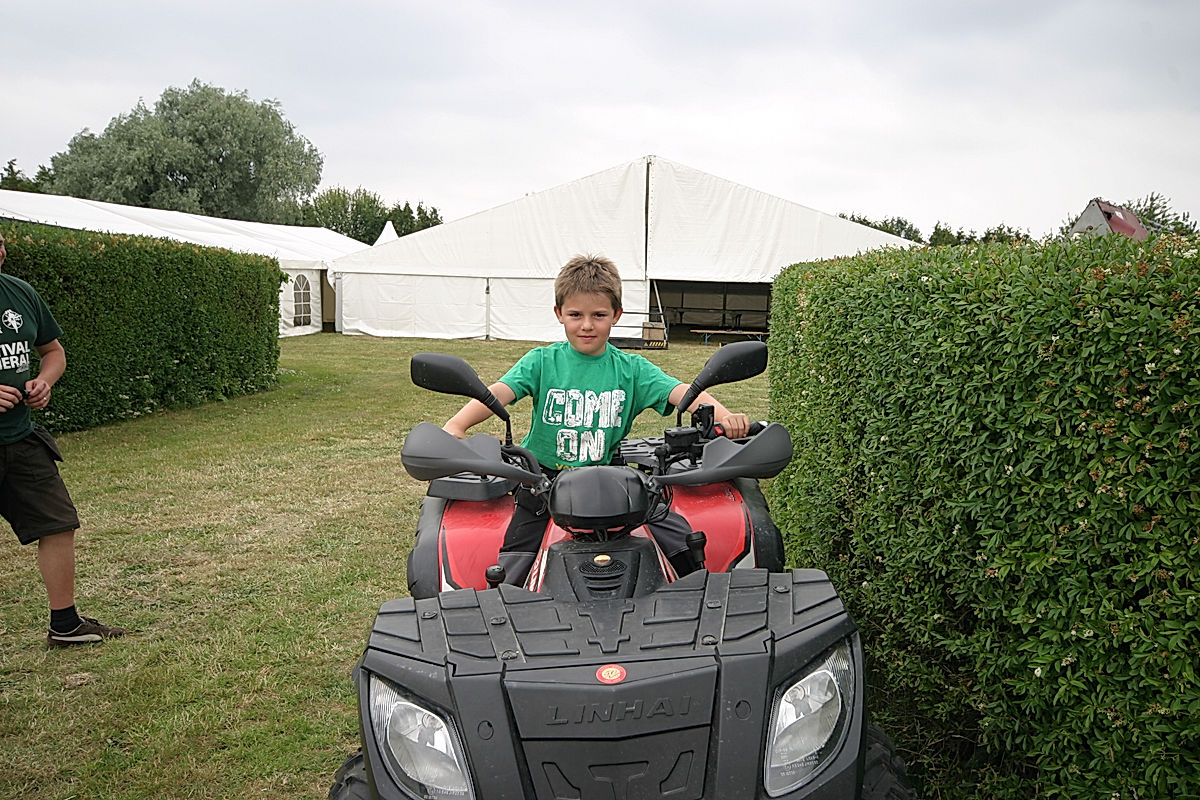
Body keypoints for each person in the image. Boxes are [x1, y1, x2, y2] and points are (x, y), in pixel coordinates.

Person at [444, 253, 750, 585]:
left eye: (599, 315)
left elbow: (682, 393)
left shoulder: (632, 369)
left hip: (609, 481)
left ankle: (699, 590)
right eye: (575, 314)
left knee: (679, 540)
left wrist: (726, 417)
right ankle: (505, 600)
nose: (587, 325)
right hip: (542, 482)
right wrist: (457, 426)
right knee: (515, 559)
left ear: (616, 314)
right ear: (559, 313)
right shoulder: (542, 362)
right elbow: (498, 393)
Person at [0, 231, 126, 648]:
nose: (0, 252)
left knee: (58, 525)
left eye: (0, 243)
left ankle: (65, 625)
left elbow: (53, 352)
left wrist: (44, 381)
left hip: (21, 438)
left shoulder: (19, 293)